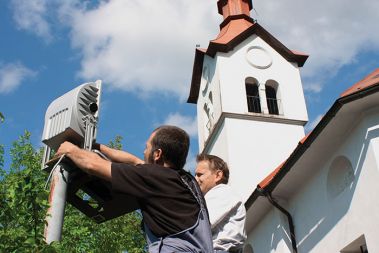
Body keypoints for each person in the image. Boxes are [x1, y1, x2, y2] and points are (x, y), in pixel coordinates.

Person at [56, 125, 213, 252]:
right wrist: (97, 147)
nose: (144, 152)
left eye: (147, 147)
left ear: (157, 154)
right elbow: (134, 161)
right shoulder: (185, 181)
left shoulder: (154, 177)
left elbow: (93, 165)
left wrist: (70, 149)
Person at [195, 154, 246, 253]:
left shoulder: (222, 192)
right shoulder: (219, 195)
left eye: (200, 174)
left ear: (218, 175)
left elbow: (200, 224)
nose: (195, 179)